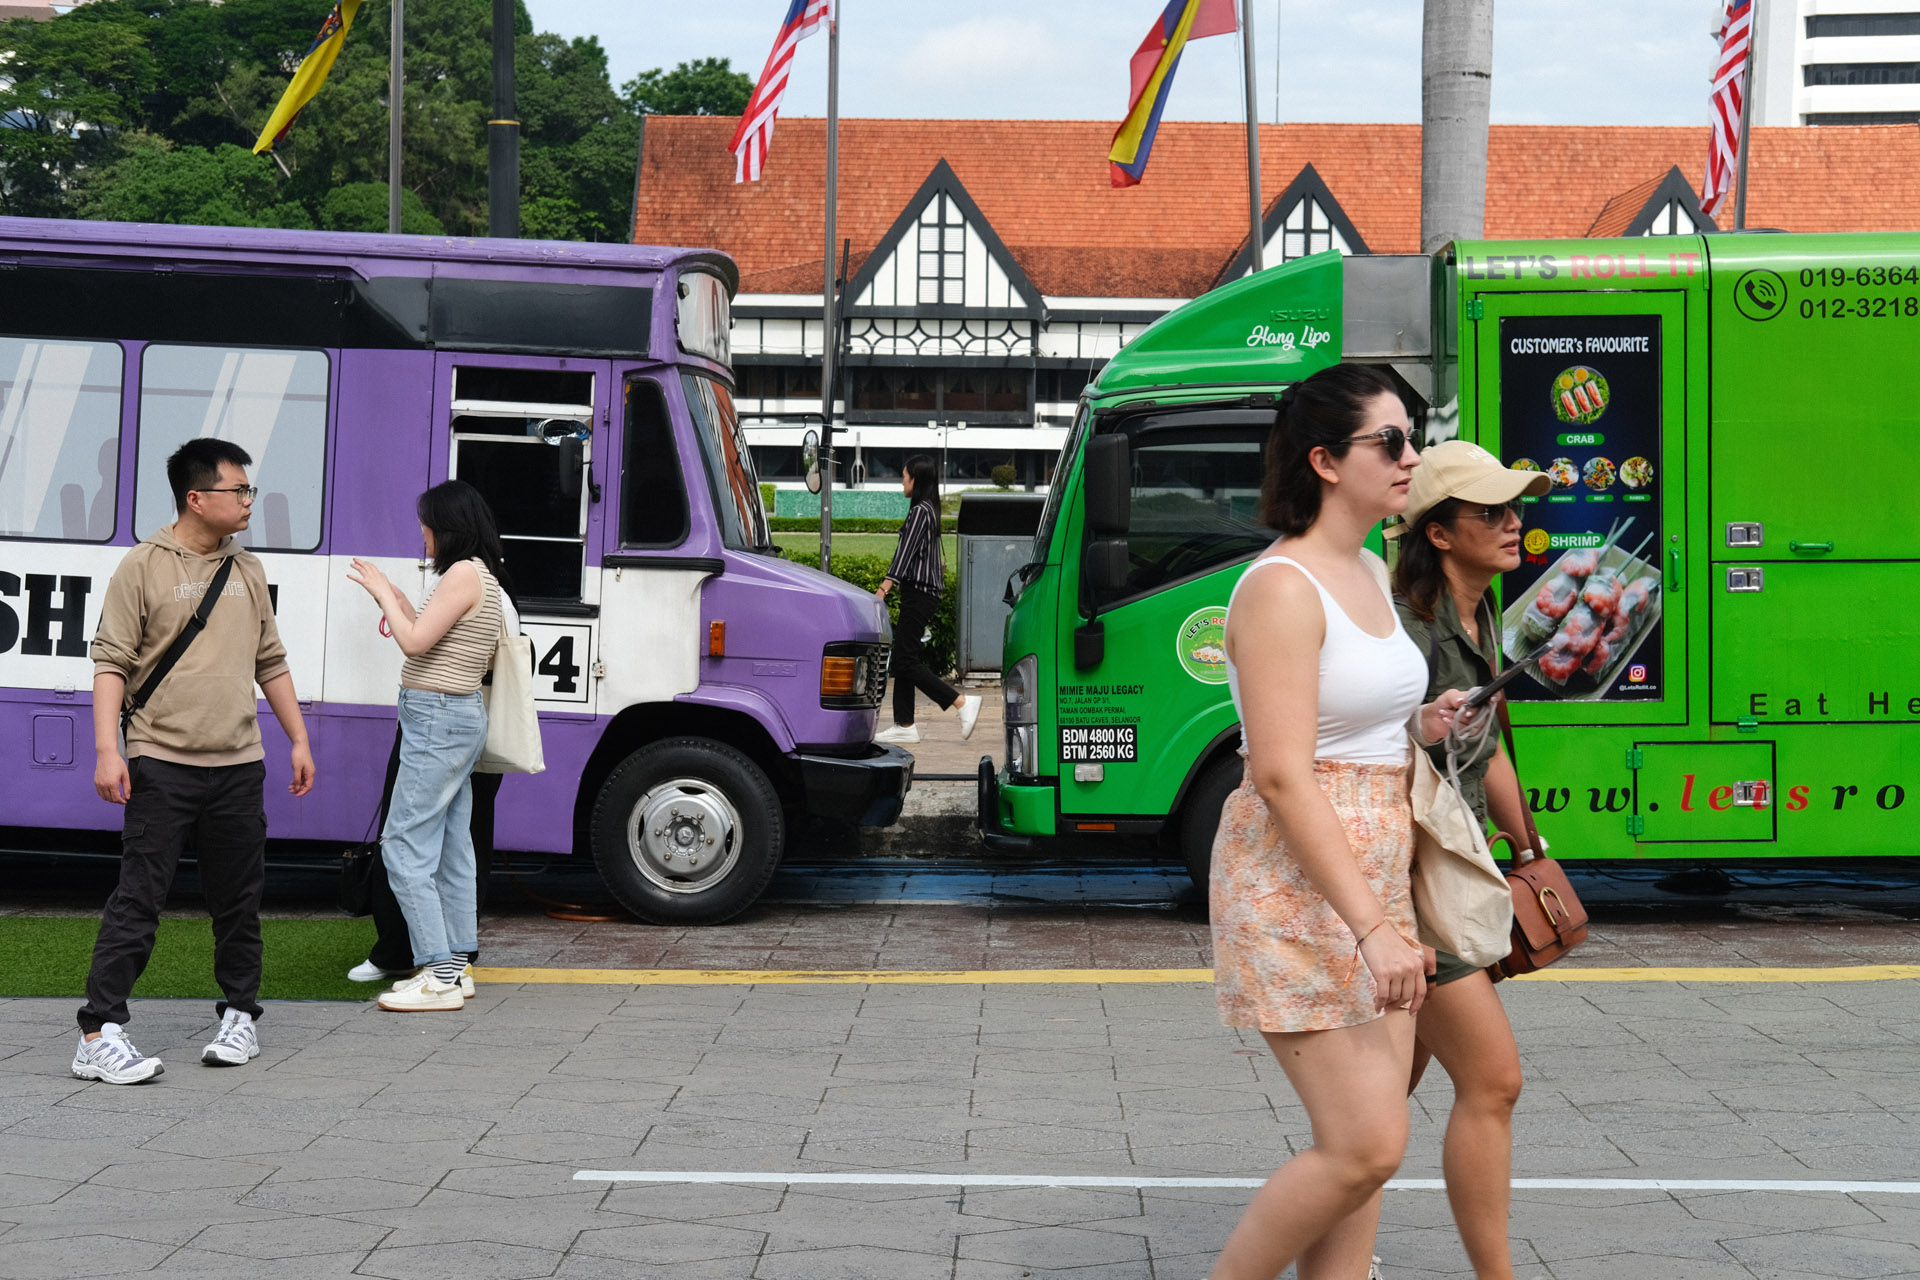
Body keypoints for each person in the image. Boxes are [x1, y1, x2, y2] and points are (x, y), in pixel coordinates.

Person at [1208, 364, 1468, 1280]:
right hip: (1300, 880)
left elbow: (1351, 721)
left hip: (1377, 865)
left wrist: (1424, 724)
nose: (1411, 456)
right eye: (1389, 441)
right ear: (1324, 460)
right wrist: (1370, 929)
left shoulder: (1362, 567)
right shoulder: (1282, 587)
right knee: (1364, 1147)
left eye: (1414, 434)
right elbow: (1282, 772)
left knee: (1368, 1159)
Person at [75, 439, 315, 1084]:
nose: (247, 502)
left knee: (239, 902)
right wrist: (108, 751)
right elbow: (111, 664)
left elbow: (271, 660)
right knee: (140, 899)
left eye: (248, 491)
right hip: (161, 761)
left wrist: (297, 738)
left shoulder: (249, 570)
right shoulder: (143, 566)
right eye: (238, 491)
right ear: (196, 497)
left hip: (240, 765)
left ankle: (241, 1017)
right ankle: (99, 1030)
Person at [1384, 440, 1551, 1280]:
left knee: (1379, 1107)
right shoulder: (1409, 629)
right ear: (1441, 534)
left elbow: (1489, 754)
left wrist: (1530, 850)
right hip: (1408, 883)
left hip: (1452, 866)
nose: (1514, 522)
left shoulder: (1482, 611)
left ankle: (1330, 1253)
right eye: (1492, 511)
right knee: (1495, 1078)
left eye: (1515, 507)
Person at [346, 480, 507, 1012]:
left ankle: (437, 974)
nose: (422, 532)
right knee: (453, 849)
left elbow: (414, 642)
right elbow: (426, 633)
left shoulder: (462, 574)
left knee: (403, 847)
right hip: (454, 717)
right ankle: (456, 968)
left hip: (438, 720)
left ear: (449, 526)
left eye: (427, 522)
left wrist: (379, 597)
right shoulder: (479, 574)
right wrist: (394, 595)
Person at [873, 453, 979, 745]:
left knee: (905, 660)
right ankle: (905, 725)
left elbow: (904, 552)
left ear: (915, 479)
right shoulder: (928, 508)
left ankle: (960, 703)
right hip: (921, 592)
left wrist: (884, 587)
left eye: (904, 476)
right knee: (905, 658)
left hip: (919, 593)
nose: (901, 481)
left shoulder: (920, 511)